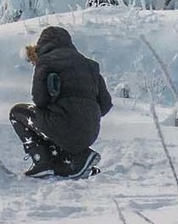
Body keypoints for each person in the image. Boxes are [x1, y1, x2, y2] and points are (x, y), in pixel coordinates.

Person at [10, 25, 113, 178]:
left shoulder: (45, 62)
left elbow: (40, 100)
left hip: (62, 126)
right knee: (57, 122)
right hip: (90, 132)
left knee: (17, 113)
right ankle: (73, 158)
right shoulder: (90, 66)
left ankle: (42, 160)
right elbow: (105, 104)